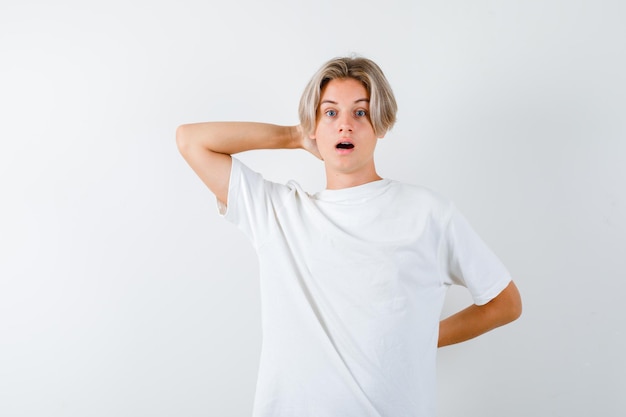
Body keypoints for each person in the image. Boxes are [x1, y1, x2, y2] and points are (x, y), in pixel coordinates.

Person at [176, 56, 522, 417]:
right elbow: (191, 141)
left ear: (381, 124)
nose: (345, 125)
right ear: (314, 125)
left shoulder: (428, 213)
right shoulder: (277, 213)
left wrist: (423, 336)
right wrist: (293, 135)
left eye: (360, 112)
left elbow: (505, 303)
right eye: (330, 113)